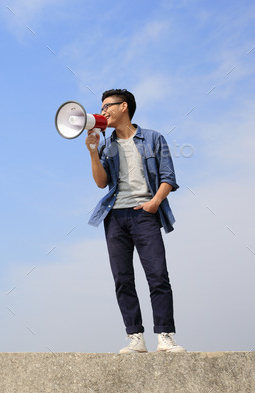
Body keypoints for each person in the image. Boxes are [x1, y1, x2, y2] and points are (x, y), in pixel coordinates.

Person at [85, 89, 186, 354]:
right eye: (102, 107)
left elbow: (168, 177)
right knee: (122, 279)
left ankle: (165, 335)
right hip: (115, 216)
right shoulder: (107, 145)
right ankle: (135, 337)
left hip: (145, 214)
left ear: (124, 107)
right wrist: (93, 152)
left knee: (157, 276)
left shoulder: (153, 138)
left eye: (108, 106)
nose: (103, 111)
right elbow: (101, 183)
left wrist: (153, 204)